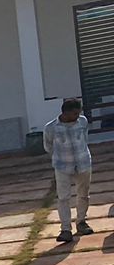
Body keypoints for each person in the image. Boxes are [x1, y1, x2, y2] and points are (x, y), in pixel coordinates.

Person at [44, 97, 93, 244]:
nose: (77, 116)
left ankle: (81, 222)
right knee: (63, 197)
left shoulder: (82, 122)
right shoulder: (51, 127)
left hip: (83, 163)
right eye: (74, 114)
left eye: (78, 113)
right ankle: (66, 229)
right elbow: (48, 146)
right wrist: (61, 157)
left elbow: (85, 139)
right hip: (62, 166)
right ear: (65, 113)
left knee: (83, 194)